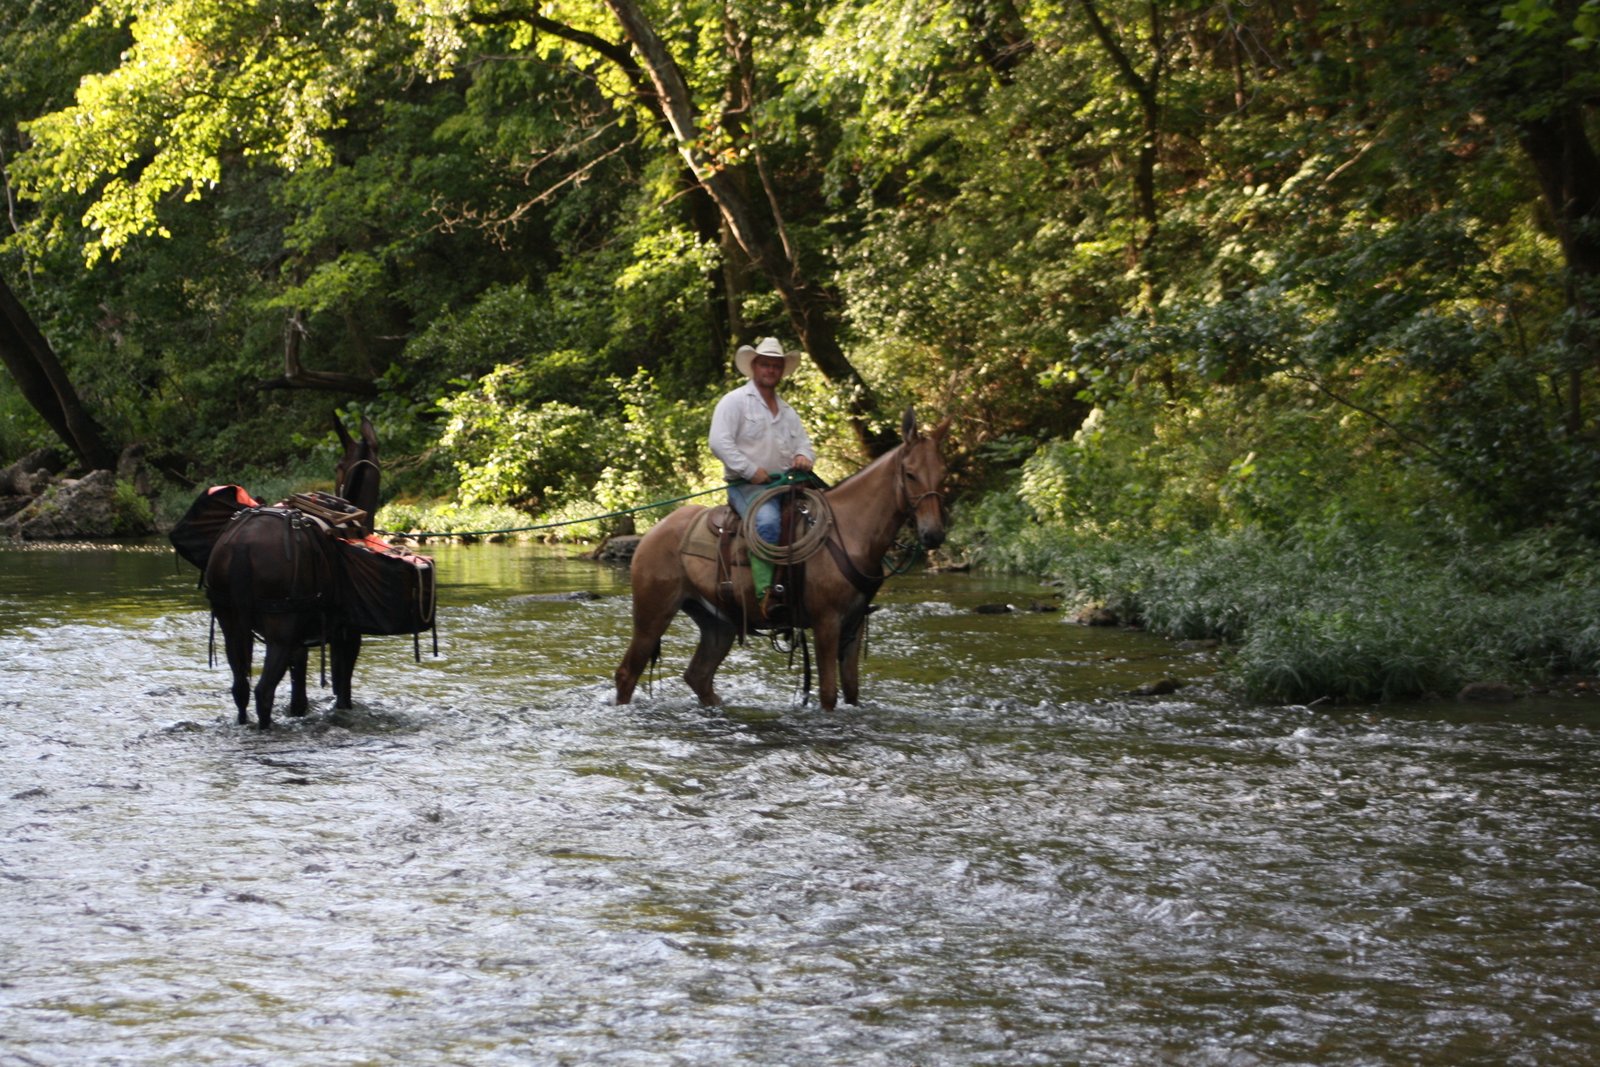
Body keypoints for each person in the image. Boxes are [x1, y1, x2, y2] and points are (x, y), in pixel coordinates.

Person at [709, 336, 816, 619]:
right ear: (754, 366)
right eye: (765, 364)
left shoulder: (788, 412)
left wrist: (803, 457)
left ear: (781, 371)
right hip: (746, 487)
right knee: (767, 522)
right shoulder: (734, 402)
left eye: (776, 366)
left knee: (825, 517)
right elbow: (719, 442)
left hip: (787, 486)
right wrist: (750, 471)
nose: (771, 370)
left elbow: (804, 445)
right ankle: (767, 595)